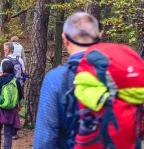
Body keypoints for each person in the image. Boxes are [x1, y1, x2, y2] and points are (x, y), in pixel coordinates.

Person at [33, 12, 100, 149]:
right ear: (99, 38)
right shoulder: (121, 76)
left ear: (65, 39)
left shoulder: (56, 79)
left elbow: (44, 141)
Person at [0, 60, 23, 149]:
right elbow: (20, 96)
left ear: (3, 69)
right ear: (12, 69)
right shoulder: (15, 81)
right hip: (10, 110)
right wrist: (19, 107)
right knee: (8, 132)